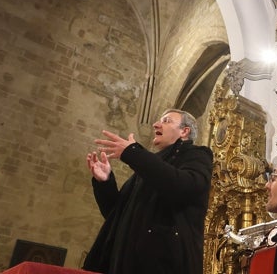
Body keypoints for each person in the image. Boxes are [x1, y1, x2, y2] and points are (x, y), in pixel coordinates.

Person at [83, 109, 214, 274]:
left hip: (162, 264)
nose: (155, 124)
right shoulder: (147, 168)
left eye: (166, 121)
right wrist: (105, 182)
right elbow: (116, 215)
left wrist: (133, 152)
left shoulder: (197, 155)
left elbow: (184, 186)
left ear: (184, 131)